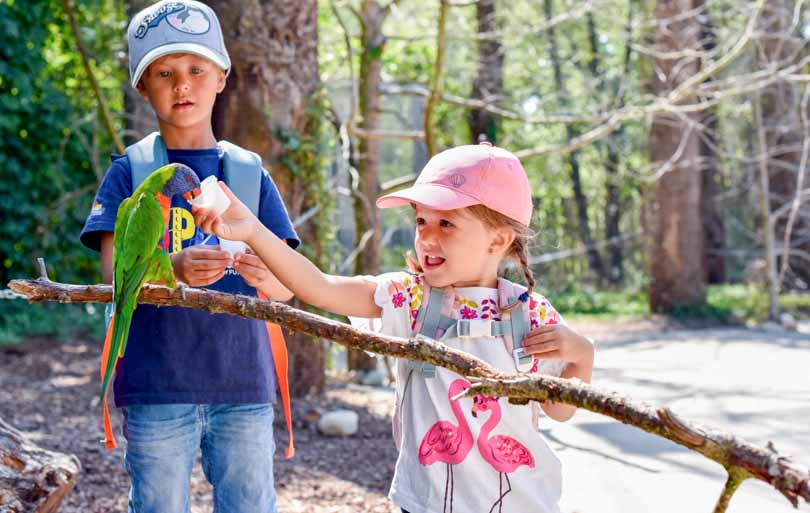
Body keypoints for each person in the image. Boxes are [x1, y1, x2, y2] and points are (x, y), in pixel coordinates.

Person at [194, 141, 595, 513]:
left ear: (499, 240)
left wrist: (582, 354)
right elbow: (320, 286)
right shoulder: (409, 299)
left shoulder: (529, 314)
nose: (427, 237)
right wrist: (251, 230)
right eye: (422, 221)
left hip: (522, 504)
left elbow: (559, 411)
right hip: (425, 503)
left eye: (447, 224)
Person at [79, 1, 299, 512]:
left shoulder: (249, 173)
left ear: (221, 77)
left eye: (197, 70)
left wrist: (262, 271)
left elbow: (288, 288)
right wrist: (170, 270)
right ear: (142, 86)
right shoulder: (128, 175)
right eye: (165, 73)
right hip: (157, 384)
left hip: (243, 384)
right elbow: (114, 277)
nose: (183, 85)